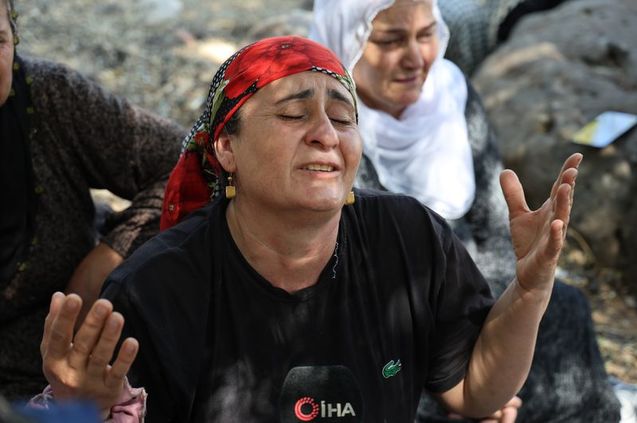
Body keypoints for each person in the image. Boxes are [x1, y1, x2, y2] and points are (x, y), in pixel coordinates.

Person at [36, 35, 582, 423]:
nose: (326, 134)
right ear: (227, 147)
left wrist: (530, 292)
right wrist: (87, 409)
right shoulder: (156, 290)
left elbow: (474, 393)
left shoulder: (409, 236)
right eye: (294, 114)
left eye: (343, 118)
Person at [308, 1, 621, 422]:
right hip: (388, 310)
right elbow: (359, 269)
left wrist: (487, 340)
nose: (416, 58)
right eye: (389, 40)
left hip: (469, 288)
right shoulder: (328, 127)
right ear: (346, 40)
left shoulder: (452, 93)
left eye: (426, 35)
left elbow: (493, 228)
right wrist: (462, 379)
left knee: (564, 307)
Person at [0, 0, 184, 400]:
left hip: (73, 385)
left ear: (13, 37)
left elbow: (187, 163)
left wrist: (109, 255)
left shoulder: (48, 98)